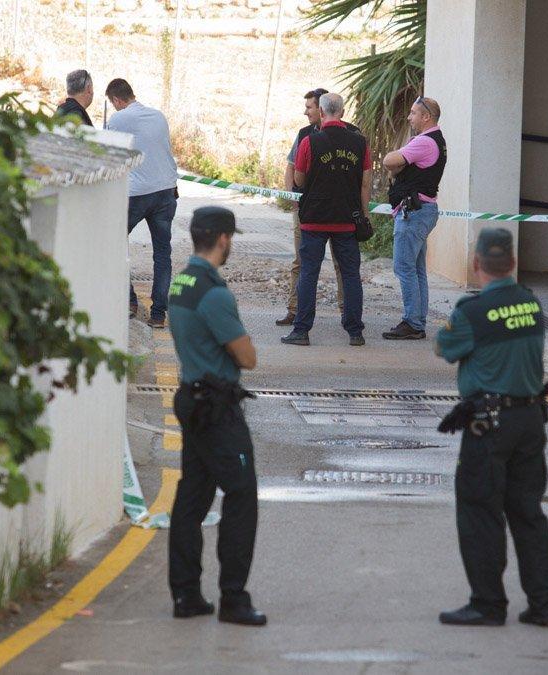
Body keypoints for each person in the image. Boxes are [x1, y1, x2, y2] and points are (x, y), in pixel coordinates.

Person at [434, 227, 548, 628]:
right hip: (529, 421)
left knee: (480, 512)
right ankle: (544, 605)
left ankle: (487, 604)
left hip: (490, 425)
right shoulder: (532, 304)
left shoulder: (471, 312)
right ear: (514, 263)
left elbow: (445, 347)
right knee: (528, 514)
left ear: (476, 264)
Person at [167, 206, 267, 627]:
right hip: (218, 407)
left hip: (191, 397)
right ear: (224, 239)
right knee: (241, 496)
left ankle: (186, 595)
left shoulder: (180, 282)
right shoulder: (214, 292)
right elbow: (247, 357)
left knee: (192, 498)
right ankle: (234, 599)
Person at [280, 92, 371, 347]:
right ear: (342, 112)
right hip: (346, 220)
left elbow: (298, 179)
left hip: (314, 219)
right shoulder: (360, 143)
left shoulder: (310, 142)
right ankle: (355, 332)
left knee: (309, 273)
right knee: (351, 275)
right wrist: (364, 216)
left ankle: (302, 331)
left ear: (321, 113)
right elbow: (365, 184)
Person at [276, 88, 353, 327]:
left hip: (339, 212)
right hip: (307, 211)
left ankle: (346, 312)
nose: (305, 112)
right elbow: (291, 166)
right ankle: (294, 309)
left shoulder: (351, 134)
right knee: (301, 263)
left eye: (309, 107)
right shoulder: (304, 134)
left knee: (342, 265)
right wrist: (293, 198)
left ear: (322, 109)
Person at [106, 78, 179, 329]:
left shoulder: (118, 119)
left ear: (116, 100)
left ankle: (129, 301)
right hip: (166, 191)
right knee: (162, 253)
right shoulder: (158, 116)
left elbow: (108, 152)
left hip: (136, 194)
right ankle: (158, 314)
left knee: (113, 242)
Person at [382, 96, 446, 340]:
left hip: (414, 213)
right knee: (417, 269)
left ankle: (412, 322)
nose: (409, 117)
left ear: (426, 117)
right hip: (423, 211)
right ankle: (416, 322)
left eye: (413, 113)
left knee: (404, 267)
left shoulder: (425, 143)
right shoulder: (435, 142)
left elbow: (390, 161)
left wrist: (397, 155)